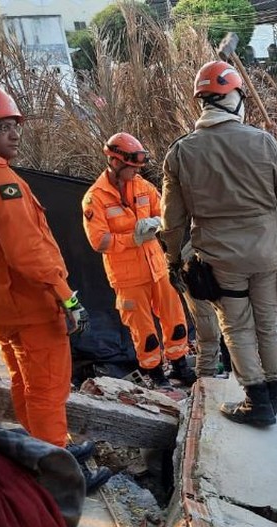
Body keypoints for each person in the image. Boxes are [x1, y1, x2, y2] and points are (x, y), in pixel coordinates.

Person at [160, 60, 277, 427]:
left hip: (221, 260)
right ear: (234, 97)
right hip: (266, 253)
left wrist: (173, 260)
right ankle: (276, 392)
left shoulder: (180, 153)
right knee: (269, 323)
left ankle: (257, 399)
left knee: (237, 328)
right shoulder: (263, 142)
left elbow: (172, 220)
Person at [0, 80, 86, 449]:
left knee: (24, 383)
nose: (14, 135)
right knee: (47, 389)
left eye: (15, 127)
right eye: (4, 127)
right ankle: (57, 471)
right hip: (30, 303)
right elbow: (27, 251)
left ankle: (40, 455)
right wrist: (65, 296)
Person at [82, 132, 194, 387]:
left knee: (175, 319)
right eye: (131, 167)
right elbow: (99, 241)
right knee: (143, 330)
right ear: (115, 161)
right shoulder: (95, 198)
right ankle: (154, 374)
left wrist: (157, 224)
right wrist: (133, 238)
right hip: (127, 276)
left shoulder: (143, 186)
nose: (135, 172)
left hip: (157, 266)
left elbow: (162, 212)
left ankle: (179, 366)